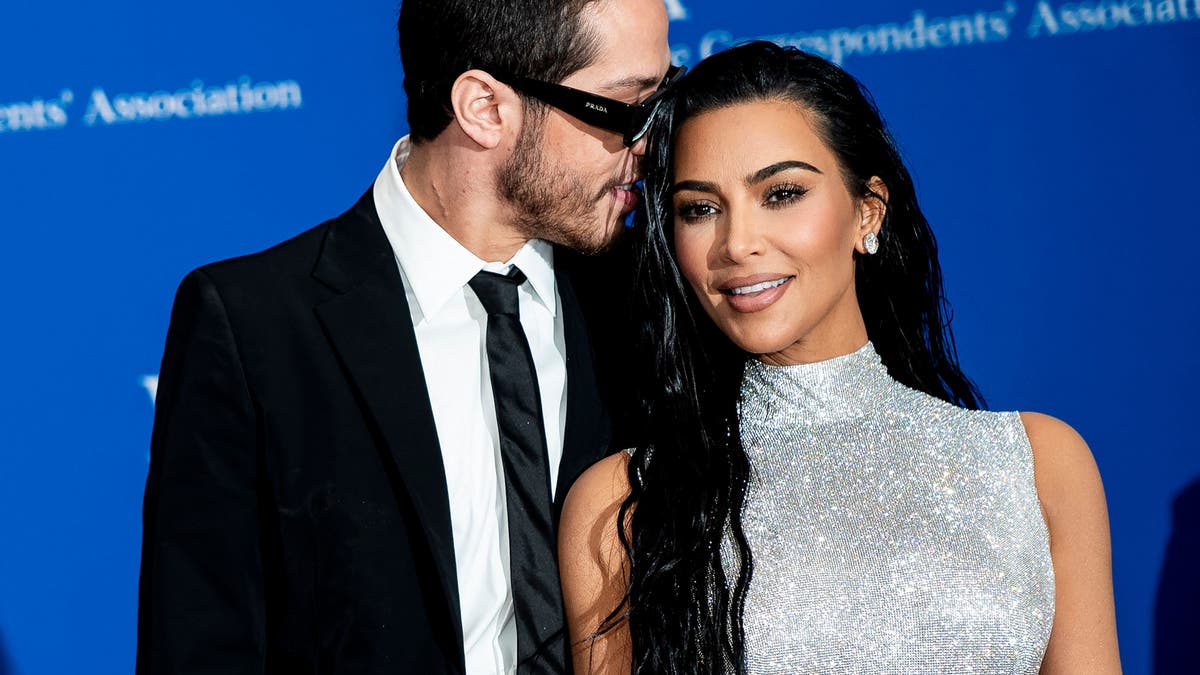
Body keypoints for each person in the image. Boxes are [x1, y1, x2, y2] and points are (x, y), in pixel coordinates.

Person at [136, 1, 673, 673]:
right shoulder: (255, 325)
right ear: (484, 107)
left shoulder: (646, 295)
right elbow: (200, 643)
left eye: (662, 99)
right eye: (621, 109)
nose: (647, 142)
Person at [558, 41, 1121, 674]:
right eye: (701, 209)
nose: (738, 243)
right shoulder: (624, 502)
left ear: (866, 212)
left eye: (781, 194)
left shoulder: (1037, 464)